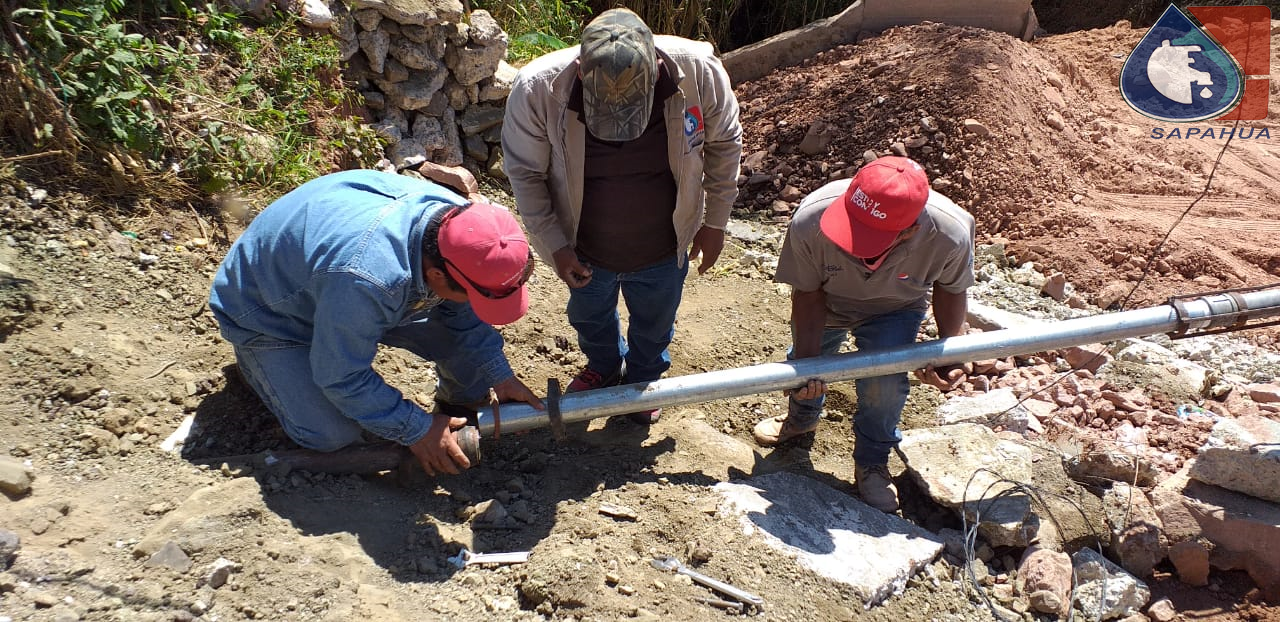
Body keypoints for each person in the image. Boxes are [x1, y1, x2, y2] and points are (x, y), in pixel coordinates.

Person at [209, 170, 543, 477]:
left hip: (333, 282)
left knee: (467, 358)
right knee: (331, 434)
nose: (473, 303)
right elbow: (341, 376)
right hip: (269, 311)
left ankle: (454, 408)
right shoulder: (367, 279)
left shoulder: (465, 228)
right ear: (437, 274)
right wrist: (417, 428)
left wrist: (499, 375)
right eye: (473, 295)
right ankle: (259, 369)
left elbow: (465, 317)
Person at [502, 8, 742, 424]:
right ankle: (604, 367)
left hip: (664, 245)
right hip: (585, 247)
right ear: (580, 71)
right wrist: (556, 246)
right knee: (589, 316)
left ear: (656, 69)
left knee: (655, 320)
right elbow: (525, 173)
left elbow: (724, 144)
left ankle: (644, 379)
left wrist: (715, 222)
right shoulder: (538, 90)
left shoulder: (699, 72)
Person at [751, 157, 976, 513]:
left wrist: (950, 355)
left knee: (884, 385)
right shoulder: (813, 218)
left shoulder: (950, 233)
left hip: (895, 306)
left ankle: (872, 460)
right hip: (826, 301)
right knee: (805, 366)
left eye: (867, 237)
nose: (851, 242)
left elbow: (951, 289)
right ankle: (802, 418)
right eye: (851, 227)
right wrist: (809, 366)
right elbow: (807, 295)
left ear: (910, 231)